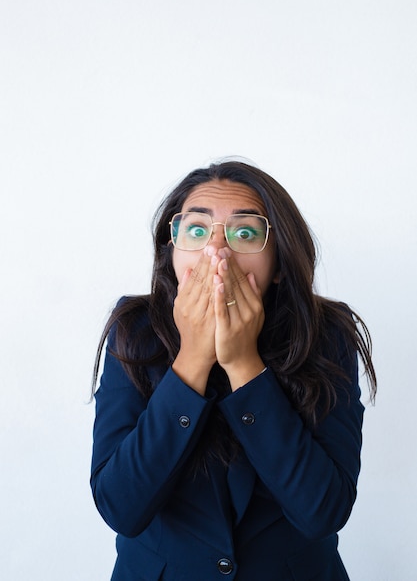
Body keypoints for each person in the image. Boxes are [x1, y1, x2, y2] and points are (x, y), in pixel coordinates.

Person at [90, 157, 376, 581]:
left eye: (245, 233)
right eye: (197, 230)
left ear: (278, 262)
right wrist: (192, 359)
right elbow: (121, 506)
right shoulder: (135, 330)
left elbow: (322, 511)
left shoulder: (327, 335)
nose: (216, 252)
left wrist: (244, 365)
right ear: (172, 253)